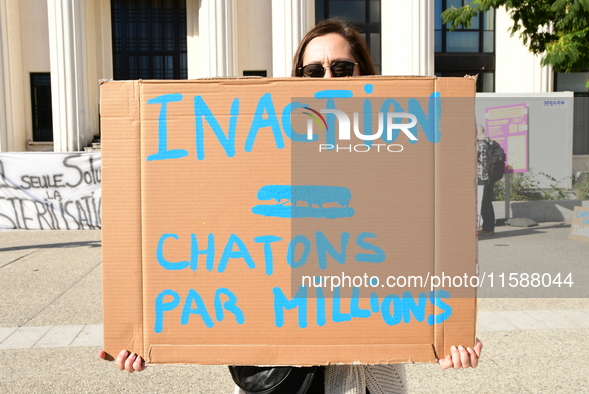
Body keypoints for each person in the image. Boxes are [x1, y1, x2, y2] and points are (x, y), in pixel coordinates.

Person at [99, 17, 483, 393]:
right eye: (313, 71)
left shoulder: (401, 155)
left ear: (366, 75)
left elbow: (433, 253)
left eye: (342, 68)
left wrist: (451, 335)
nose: (328, 80)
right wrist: (141, 331)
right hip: (279, 378)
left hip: (362, 380)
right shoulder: (259, 154)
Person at [477, 124, 496, 235]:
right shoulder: (491, 142)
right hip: (490, 177)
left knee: (484, 203)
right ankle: (490, 227)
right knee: (488, 202)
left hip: (482, 177)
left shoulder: (480, 145)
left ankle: (488, 228)